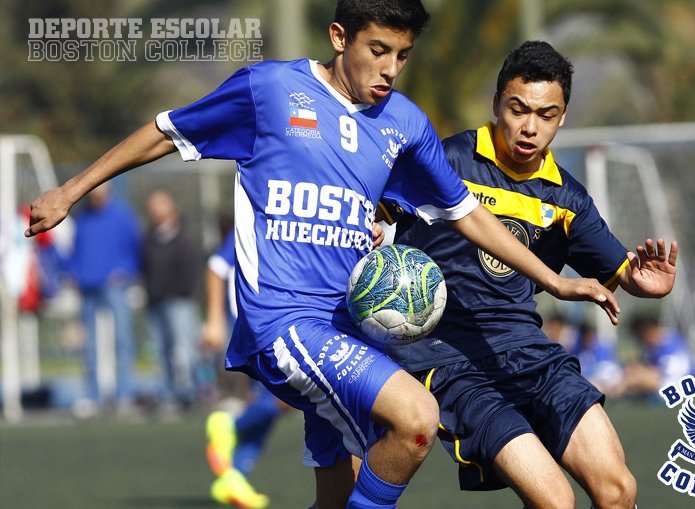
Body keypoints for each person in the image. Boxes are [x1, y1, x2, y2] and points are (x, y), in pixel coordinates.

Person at [25, 3, 620, 507]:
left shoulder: (405, 125)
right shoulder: (270, 90)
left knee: (346, 484)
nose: (389, 69)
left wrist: (557, 281)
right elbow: (164, 129)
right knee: (415, 418)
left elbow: (467, 213)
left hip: (347, 326)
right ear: (340, 38)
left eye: (402, 55)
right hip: (281, 322)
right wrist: (70, 191)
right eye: (378, 50)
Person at [381, 41, 678, 509]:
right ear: (497, 103)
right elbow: (369, 213)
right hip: (450, 358)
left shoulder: (568, 198)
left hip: (528, 352)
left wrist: (644, 281)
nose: (529, 126)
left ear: (563, 118)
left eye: (545, 114)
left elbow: (620, 268)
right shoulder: (446, 161)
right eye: (518, 109)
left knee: (618, 489)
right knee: (555, 501)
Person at [202, 228, 289, 509]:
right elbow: (216, 266)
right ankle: (229, 426)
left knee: (275, 401)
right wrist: (215, 320)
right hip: (256, 324)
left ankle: (234, 477)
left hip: (280, 320)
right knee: (282, 400)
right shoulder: (254, 218)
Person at [66, 182, 140, 413]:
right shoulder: (82, 218)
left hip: (114, 287)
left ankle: (124, 397)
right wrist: (74, 272)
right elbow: (74, 249)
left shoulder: (122, 216)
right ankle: (93, 397)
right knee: (89, 346)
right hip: (87, 287)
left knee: (122, 341)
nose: (96, 198)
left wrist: (124, 271)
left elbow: (135, 248)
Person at [143, 189, 203, 407]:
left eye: (160, 204)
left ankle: (190, 393)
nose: (155, 210)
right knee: (162, 351)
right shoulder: (150, 238)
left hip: (179, 302)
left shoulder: (184, 238)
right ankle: (169, 393)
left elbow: (190, 272)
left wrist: (179, 292)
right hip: (155, 303)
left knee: (185, 349)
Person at [618, 314, 695, 398]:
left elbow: (662, 376)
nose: (639, 339)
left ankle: (614, 396)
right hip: (668, 385)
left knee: (633, 376)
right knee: (631, 370)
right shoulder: (654, 346)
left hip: (677, 389)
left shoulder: (668, 342)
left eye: (639, 334)